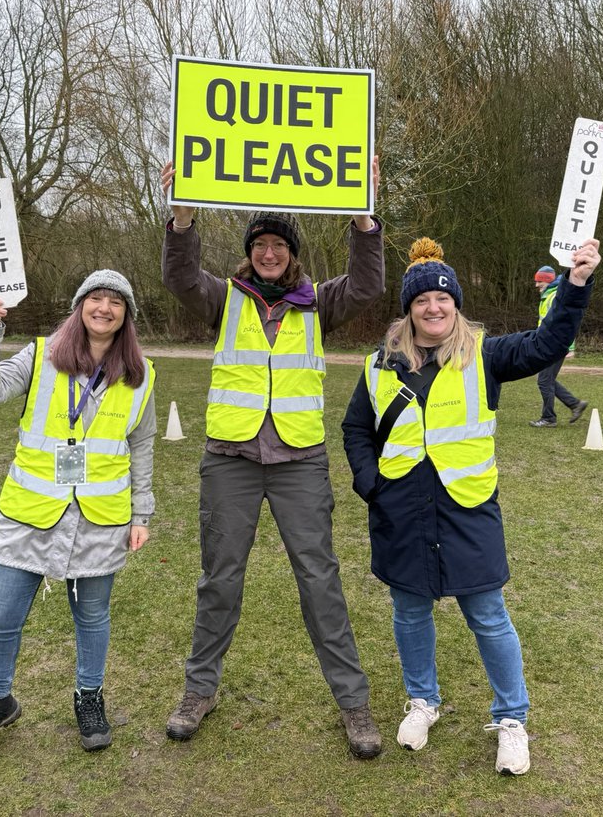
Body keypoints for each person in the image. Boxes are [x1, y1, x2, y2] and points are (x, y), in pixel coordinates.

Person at [341, 237, 599, 775]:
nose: (433, 309)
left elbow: (550, 341)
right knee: (410, 612)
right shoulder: (380, 365)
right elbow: (355, 430)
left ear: (455, 304)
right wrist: (372, 485)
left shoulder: (488, 354)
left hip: (468, 507)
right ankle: (422, 701)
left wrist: (575, 285)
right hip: (401, 510)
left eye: (443, 299)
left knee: (488, 615)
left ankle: (511, 719)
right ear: (408, 309)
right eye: (421, 301)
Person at [159, 158, 385, 758]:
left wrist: (363, 222)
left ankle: (353, 705)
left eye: (278, 244)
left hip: (299, 461)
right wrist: (182, 219)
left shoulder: (320, 302)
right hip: (229, 457)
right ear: (248, 253)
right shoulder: (224, 297)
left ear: (292, 253)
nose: (267, 253)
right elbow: (181, 279)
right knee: (219, 581)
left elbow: (366, 286)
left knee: (320, 581)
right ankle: (197, 691)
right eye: (259, 244)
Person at [0, 270, 156, 759]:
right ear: (79, 305)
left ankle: (89, 697)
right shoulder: (41, 355)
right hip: (30, 512)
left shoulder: (140, 373)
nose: (103, 308)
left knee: (92, 617)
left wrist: (141, 512)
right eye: (95, 299)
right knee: (1, 616)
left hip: (100, 517)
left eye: (115, 302)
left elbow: (142, 443)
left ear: (127, 315)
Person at [528, 265, 588, 428]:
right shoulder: (547, 295)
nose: (536, 285)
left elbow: (567, 322)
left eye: (539, 281)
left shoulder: (554, 296)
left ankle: (549, 418)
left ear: (547, 281)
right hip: (549, 344)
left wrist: (570, 346)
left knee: (544, 381)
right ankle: (575, 404)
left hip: (554, 345)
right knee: (547, 380)